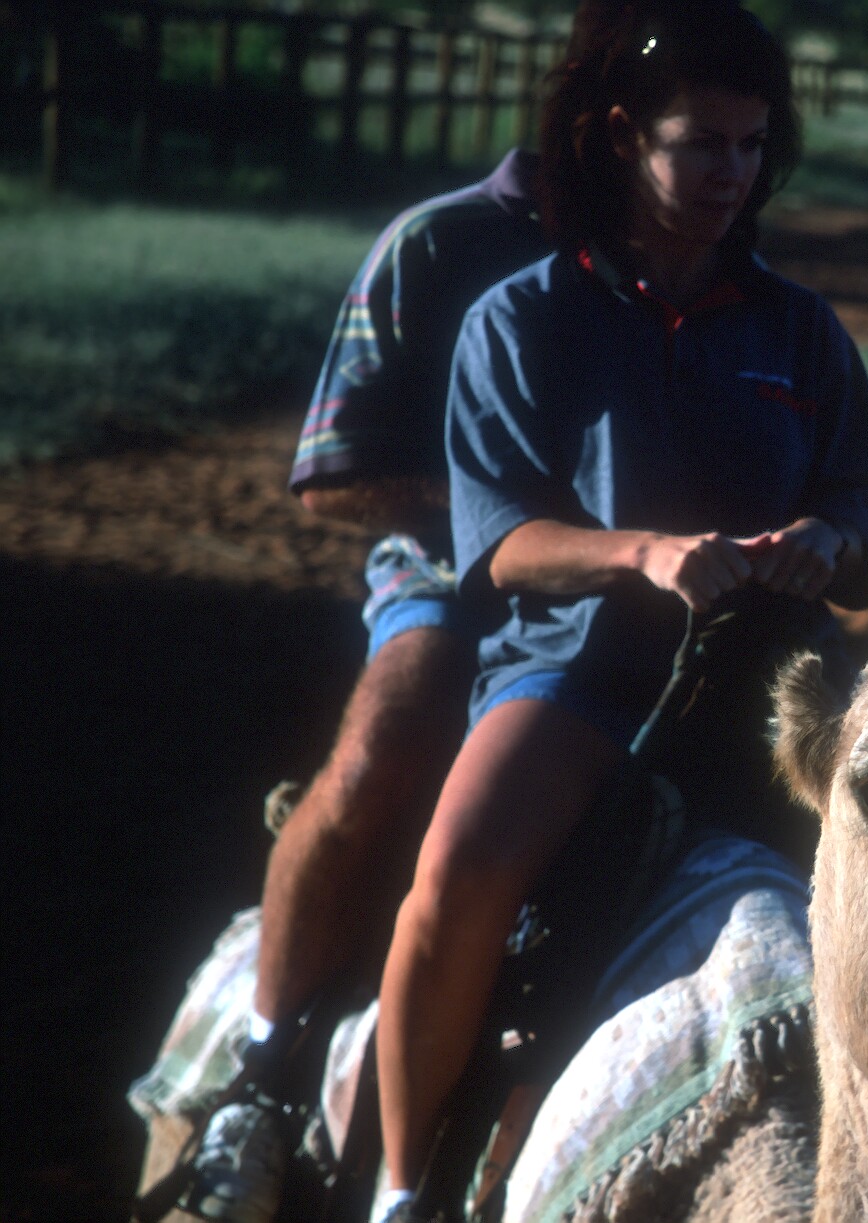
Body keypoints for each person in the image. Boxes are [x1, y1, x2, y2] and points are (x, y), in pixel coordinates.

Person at [371, 6, 868, 1220]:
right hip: (582, 666)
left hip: (778, 674)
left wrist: (828, 541)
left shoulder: (800, 328)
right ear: (620, 137)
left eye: (751, 145)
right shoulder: (522, 318)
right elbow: (502, 542)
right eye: (701, 142)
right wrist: (643, 552)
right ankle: (399, 1186)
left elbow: (859, 496)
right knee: (456, 869)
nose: (732, 173)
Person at [178, 9, 624, 1220]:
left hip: (635, 585)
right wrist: (503, 512)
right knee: (395, 730)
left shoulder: (688, 256)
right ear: (592, 116)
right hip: (450, 571)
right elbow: (330, 475)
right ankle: (260, 1072)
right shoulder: (439, 242)